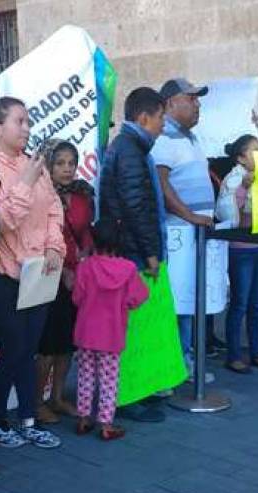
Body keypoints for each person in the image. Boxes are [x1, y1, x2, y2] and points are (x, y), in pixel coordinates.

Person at [0, 97, 65, 450]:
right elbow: (1, 221)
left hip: (39, 271)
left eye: (28, 122)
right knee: (14, 348)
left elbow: (55, 211)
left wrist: (55, 246)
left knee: (30, 349)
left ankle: (28, 418)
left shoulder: (34, 165)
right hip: (5, 274)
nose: (26, 128)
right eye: (19, 121)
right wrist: (25, 180)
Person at [98, 87, 169, 424]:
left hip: (131, 250)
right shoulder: (129, 150)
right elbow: (136, 207)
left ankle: (134, 392)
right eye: (160, 118)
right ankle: (126, 397)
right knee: (132, 331)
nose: (162, 125)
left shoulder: (130, 147)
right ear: (144, 117)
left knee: (137, 329)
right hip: (134, 255)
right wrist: (151, 254)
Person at [153, 78, 218, 382]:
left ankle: (185, 361)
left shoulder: (190, 137)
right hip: (179, 235)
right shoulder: (164, 137)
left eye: (197, 99)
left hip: (195, 233)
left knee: (189, 299)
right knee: (179, 302)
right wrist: (190, 215)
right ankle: (179, 365)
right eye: (190, 99)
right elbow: (161, 184)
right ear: (169, 104)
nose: (197, 104)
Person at [72, 220, 150, 441]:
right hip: (112, 333)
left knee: (86, 375)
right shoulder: (128, 269)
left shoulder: (85, 266)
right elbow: (138, 298)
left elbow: (77, 298)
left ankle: (83, 418)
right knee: (108, 379)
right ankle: (106, 423)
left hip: (86, 331)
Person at [36, 140, 94, 425]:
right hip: (49, 275)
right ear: (48, 165)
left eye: (71, 163)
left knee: (67, 343)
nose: (67, 169)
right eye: (60, 163)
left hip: (78, 276)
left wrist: (84, 257)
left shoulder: (83, 194)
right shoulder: (42, 195)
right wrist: (63, 270)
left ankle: (57, 398)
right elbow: (41, 237)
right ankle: (36, 402)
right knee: (47, 344)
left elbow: (86, 231)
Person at [216, 134, 258, 374]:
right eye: (254, 151)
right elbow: (228, 215)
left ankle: (257, 351)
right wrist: (244, 188)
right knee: (240, 303)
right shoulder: (234, 179)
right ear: (241, 157)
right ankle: (234, 355)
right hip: (242, 250)